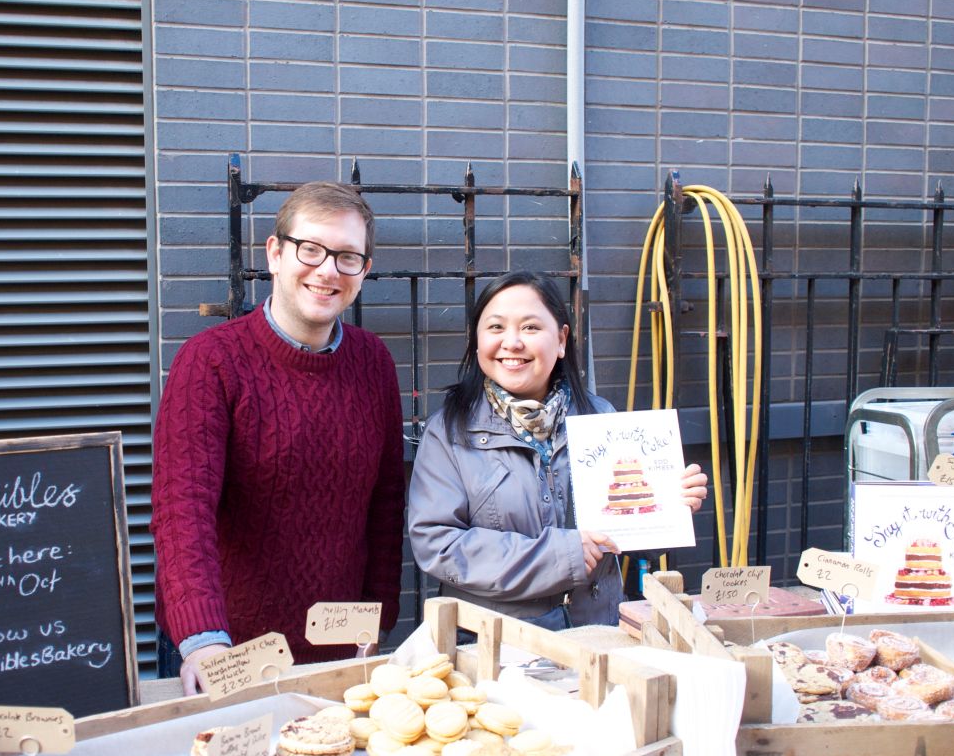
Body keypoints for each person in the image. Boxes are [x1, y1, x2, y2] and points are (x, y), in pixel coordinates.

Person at [151, 181, 404, 695]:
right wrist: (202, 637)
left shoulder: (373, 362)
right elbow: (183, 509)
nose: (328, 269)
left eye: (348, 257)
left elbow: (384, 503)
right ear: (275, 253)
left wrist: (378, 616)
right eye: (311, 250)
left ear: (364, 271)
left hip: (337, 648)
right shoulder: (211, 362)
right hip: (227, 649)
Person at [407, 271, 708, 629]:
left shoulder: (600, 418)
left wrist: (667, 505)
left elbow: (627, 536)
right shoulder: (450, 430)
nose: (512, 342)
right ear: (477, 341)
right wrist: (561, 555)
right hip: (499, 643)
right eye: (496, 328)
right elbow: (438, 544)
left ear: (562, 339)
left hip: (598, 631)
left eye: (531, 328)